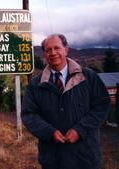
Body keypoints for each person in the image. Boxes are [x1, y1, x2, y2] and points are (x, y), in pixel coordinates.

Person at [21, 34, 110, 169]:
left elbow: (101, 106)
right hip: (53, 159)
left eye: (57, 48)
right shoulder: (35, 85)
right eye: (48, 50)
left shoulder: (88, 77)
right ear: (44, 54)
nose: (53, 53)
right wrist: (50, 132)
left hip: (86, 157)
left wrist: (80, 130)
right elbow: (29, 115)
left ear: (66, 50)